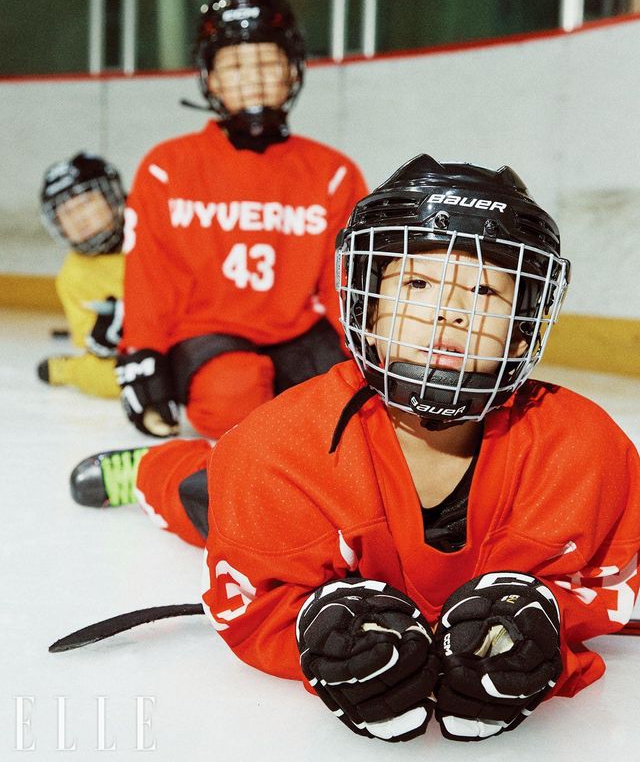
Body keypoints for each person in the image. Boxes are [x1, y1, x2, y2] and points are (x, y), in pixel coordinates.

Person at [68, 155, 640, 742]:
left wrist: (548, 622)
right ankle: (153, 470)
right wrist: (309, 628)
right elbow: (250, 605)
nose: (449, 313)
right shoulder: (277, 452)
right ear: (368, 303)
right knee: (205, 490)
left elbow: (604, 585)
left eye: (484, 290)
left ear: (523, 323)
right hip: (284, 483)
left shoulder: (586, 453)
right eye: (418, 284)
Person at [118, 0, 367, 439]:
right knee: (232, 396)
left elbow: (344, 281)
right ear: (210, 79)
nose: (253, 79)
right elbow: (149, 276)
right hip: (207, 332)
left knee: (348, 410)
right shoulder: (166, 167)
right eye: (234, 66)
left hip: (299, 332)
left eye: (268, 63)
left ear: (291, 71)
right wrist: (141, 352)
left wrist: (367, 351)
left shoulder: (333, 173)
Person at [38, 152, 125, 398]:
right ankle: (70, 370)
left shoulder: (153, 232)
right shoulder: (73, 277)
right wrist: (108, 338)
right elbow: (93, 343)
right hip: (134, 351)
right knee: (110, 378)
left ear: (111, 197)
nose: (79, 219)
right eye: (66, 213)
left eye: (86, 203)